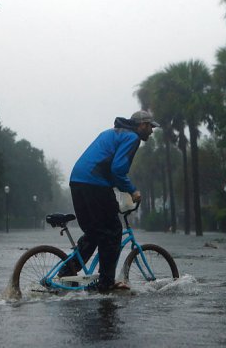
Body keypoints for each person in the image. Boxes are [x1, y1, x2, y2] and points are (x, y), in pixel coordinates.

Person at [63, 110, 158, 292]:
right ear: (142, 125)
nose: (151, 131)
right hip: (94, 183)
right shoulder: (132, 137)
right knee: (113, 231)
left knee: (94, 232)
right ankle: (106, 283)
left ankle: (67, 273)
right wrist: (132, 190)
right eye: (150, 127)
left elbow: (109, 168)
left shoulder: (111, 132)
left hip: (77, 181)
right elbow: (118, 170)